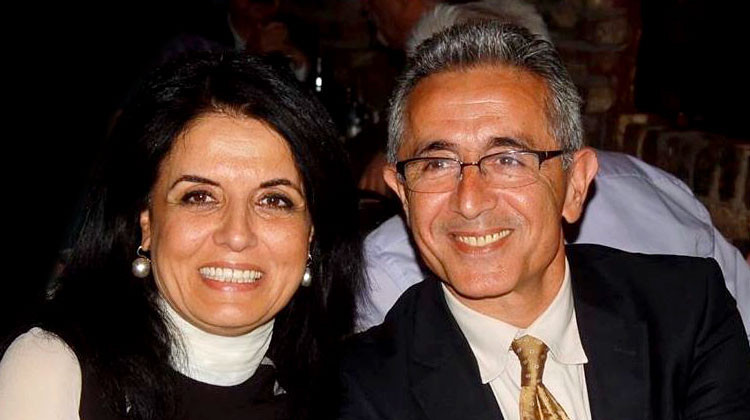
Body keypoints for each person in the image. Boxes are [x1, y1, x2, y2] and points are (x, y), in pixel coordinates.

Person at [339, 22, 750, 420]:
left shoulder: (685, 313)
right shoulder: (358, 389)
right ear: (403, 195)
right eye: (437, 164)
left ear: (575, 185)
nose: (469, 201)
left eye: (507, 160)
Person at [0, 52, 362, 420]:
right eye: (199, 197)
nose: (237, 235)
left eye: (274, 200)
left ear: (311, 234)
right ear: (146, 223)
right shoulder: (55, 370)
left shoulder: (353, 395)